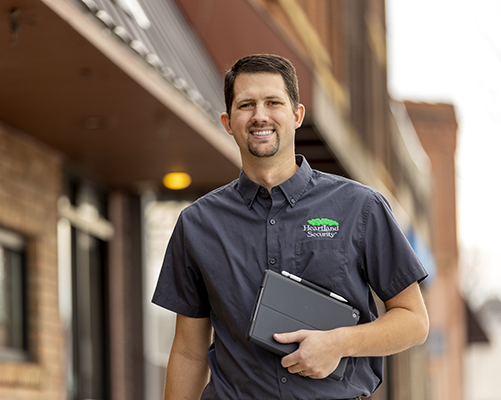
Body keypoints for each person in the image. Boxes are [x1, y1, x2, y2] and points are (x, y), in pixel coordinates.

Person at [152, 54, 429, 400]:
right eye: (246, 105)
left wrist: (339, 343)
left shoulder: (361, 207)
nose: (260, 116)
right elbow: (189, 353)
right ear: (227, 121)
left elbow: (414, 321)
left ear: (297, 115)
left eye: (273, 103)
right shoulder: (198, 224)